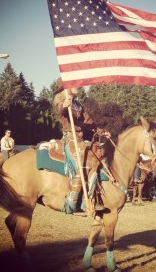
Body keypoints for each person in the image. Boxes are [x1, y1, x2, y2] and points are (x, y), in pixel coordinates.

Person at [53, 78, 105, 214]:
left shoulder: (77, 105)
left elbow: (88, 121)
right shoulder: (62, 102)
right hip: (70, 139)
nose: (78, 86)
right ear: (67, 88)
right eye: (74, 84)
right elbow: (60, 111)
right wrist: (65, 104)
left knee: (95, 159)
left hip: (80, 139)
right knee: (84, 164)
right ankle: (72, 202)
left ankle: (90, 198)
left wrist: (101, 131)